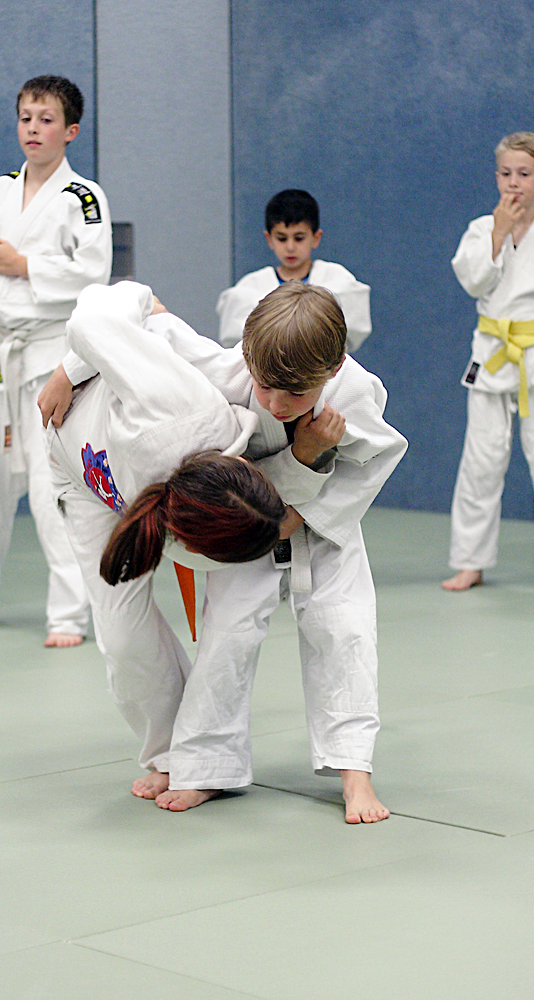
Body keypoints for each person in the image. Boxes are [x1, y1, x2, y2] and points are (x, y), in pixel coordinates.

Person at [44, 282, 407, 823]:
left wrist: (302, 499)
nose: (277, 405)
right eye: (265, 389)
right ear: (246, 352)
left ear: (332, 371)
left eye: (296, 396)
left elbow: (370, 465)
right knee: (228, 636)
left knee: (344, 628)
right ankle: (205, 768)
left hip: (322, 518)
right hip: (239, 518)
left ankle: (355, 773)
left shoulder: (354, 394)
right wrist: (68, 371)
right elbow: (145, 328)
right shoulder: (224, 369)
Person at [41, 280, 286, 779]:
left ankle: (197, 758)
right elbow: (93, 319)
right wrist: (70, 368)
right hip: (80, 471)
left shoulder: (229, 491)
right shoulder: (177, 408)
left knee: (232, 614)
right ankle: (166, 752)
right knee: (122, 636)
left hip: (131, 488)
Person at [0, 75, 112, 645]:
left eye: (46, 119)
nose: (33, 129)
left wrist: (26, 266)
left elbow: (94, 275)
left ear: (71, 131)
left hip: (49, 358)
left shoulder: (83, 198)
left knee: (49, 487)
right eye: (26, 117)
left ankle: (68, 615)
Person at [442, 132, 534, 594]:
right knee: (480, 463)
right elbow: (474, 282)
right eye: (506, 173)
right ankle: (470, 561)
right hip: (492, 356)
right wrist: (499, 234)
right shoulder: (482, 229)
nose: (514, 183)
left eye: (525, 174)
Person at [216, 188, 372, 351]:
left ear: (315, 238)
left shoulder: (337, 279)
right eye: (282, 238)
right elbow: (237, 340)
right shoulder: (250, 286)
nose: (290, 247)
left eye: (299, 238)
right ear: (269, 239)